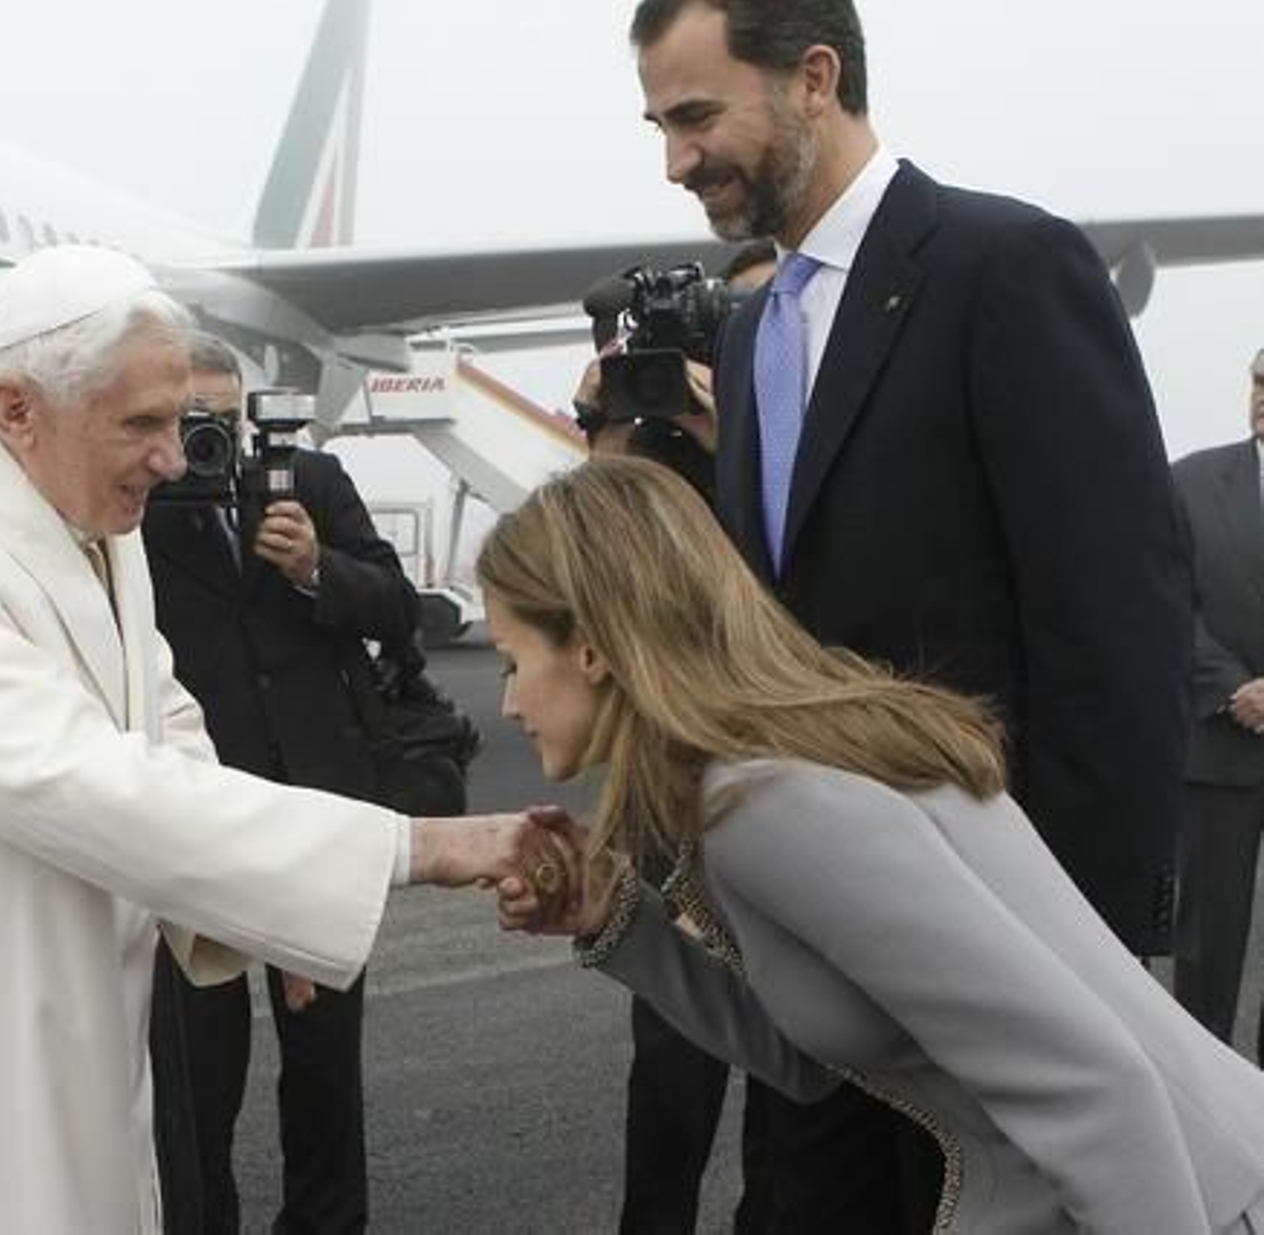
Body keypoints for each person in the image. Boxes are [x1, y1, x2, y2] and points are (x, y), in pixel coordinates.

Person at [0, 244, 549, 1235]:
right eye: (143, 424)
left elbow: (160, 717)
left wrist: (267, 896)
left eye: (180, 422)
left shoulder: (79, 497)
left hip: (67, 1022)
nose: (176, 461)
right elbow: (82, 781)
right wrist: (426, 844)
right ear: (16, 409)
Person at [628, 1, 1193, 1229]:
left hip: (1000, 956)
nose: (675, 160)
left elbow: (1116, 622)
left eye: (695, 115)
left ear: (813, 78)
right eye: (659, 125)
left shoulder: (1005, 266)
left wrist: (1083, 961)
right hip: (822, 970)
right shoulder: (749, 331)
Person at [486, 457, 1264, 1235]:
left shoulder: (769, 807)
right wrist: (617, 921)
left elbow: (1099, 1089)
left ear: (589, 646)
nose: (508, 701)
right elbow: (817, 1054)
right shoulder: (776, 772)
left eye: (513, 661)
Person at [142, 334, 418, 1233]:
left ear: (254, 414)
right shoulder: (133, 505)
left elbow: (397, 605)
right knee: (199, 1076)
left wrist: (313, 569)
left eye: (223, 419)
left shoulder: (311, 481)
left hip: (316, 811)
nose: (206, 440)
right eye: (190, 422)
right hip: (198, 823)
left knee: (327, 1069)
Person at [571, 237, 776, 1234]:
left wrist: (723, 423)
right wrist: (599, 419)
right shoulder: (644, 451)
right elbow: (590, 557)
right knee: (672, 1065)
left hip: (783, 784)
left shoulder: (792, 438)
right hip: (670, 789)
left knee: (803, 1069)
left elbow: (783, 570)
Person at [1170, 347, 1264, 1065]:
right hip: (1219, 746)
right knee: (1206, 951)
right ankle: (1210, 1115)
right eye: (1260, 380)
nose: (1262, 395)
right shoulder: (1193, 482)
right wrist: (1233, 685)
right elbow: (1168, 601)